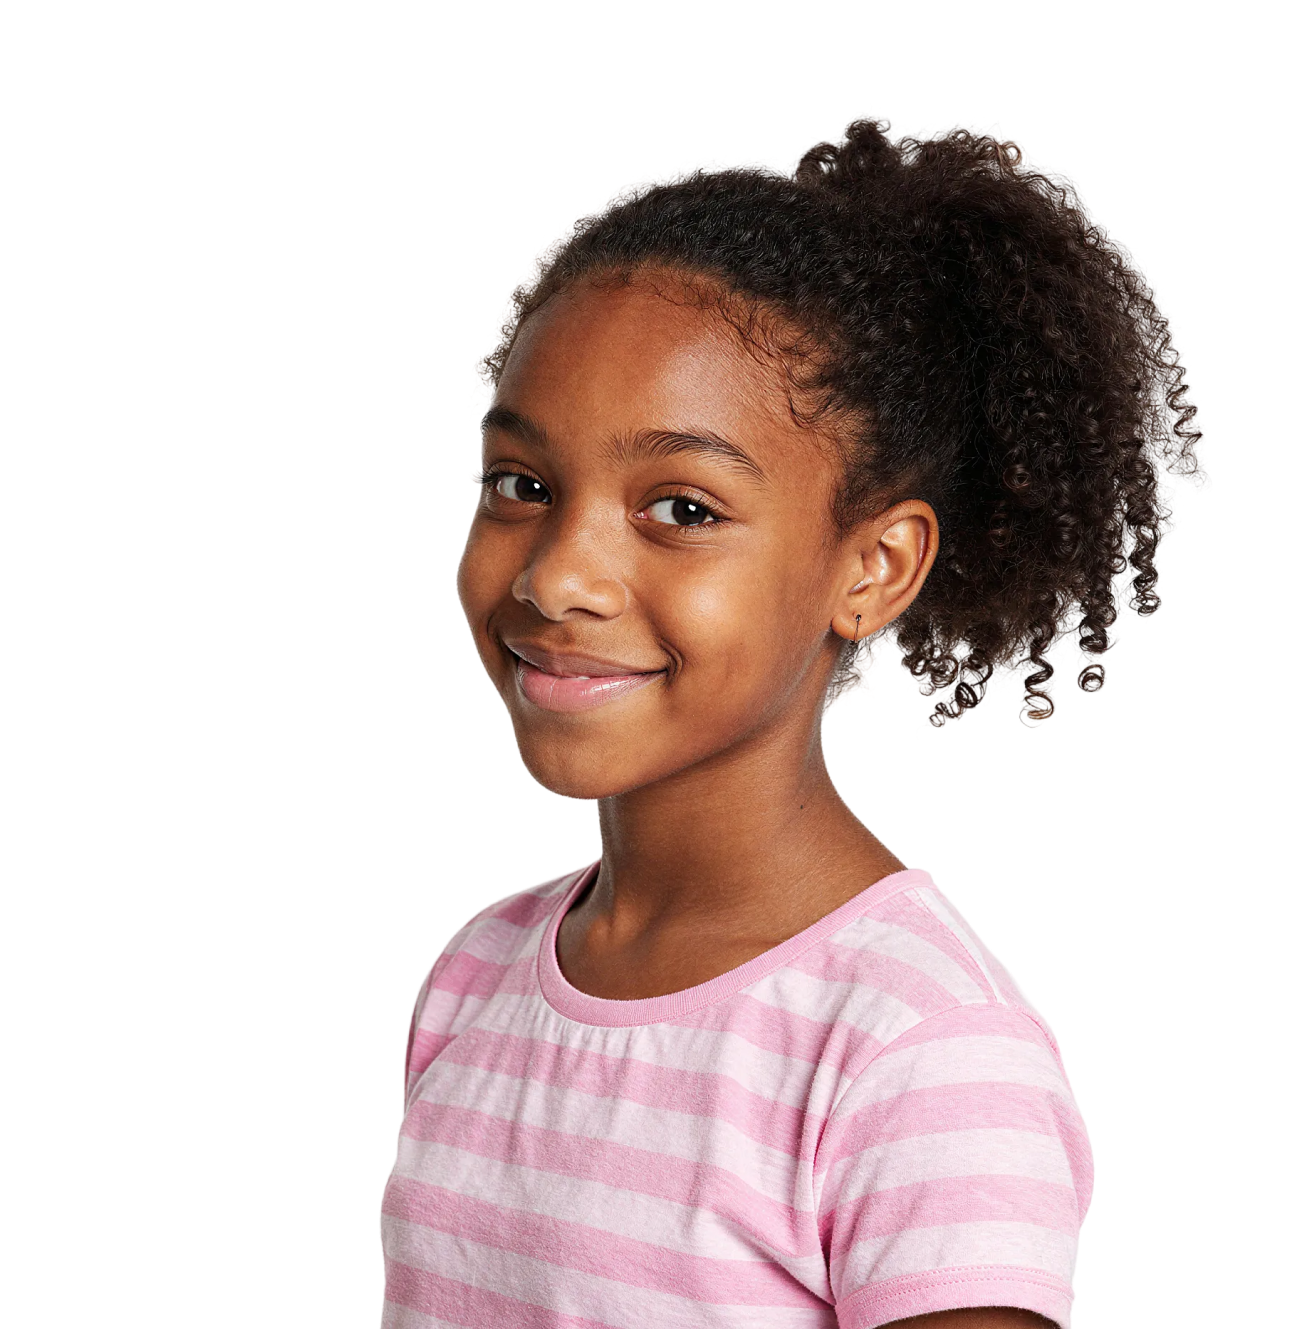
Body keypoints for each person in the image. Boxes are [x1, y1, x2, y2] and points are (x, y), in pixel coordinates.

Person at [379, 115, 1211, 1327]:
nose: (558, 577)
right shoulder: (477, 976)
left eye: (681, 507)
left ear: (874, 567)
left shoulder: (912, 1045)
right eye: (524, 486)